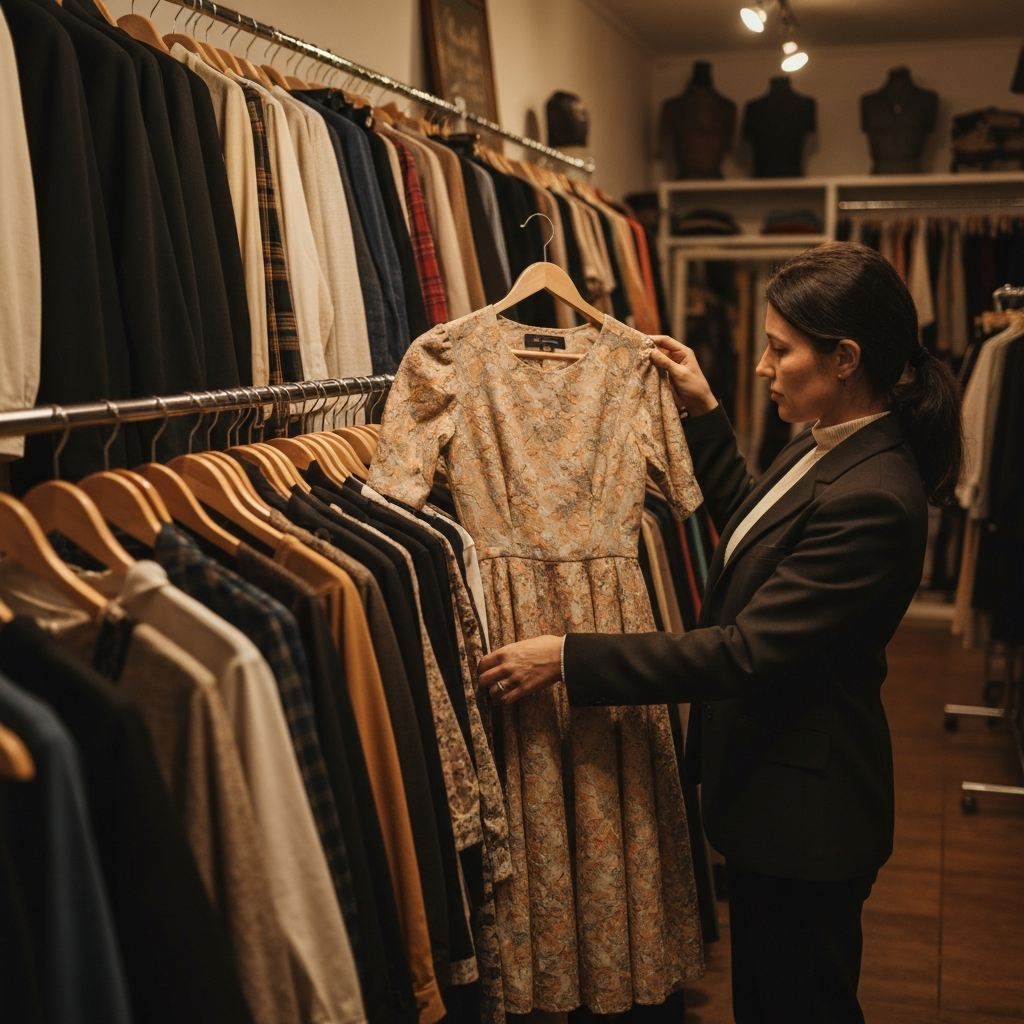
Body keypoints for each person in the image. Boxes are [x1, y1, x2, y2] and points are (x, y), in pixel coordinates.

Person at [477, 242, 963, 1024]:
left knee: (800, 1005)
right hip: (777, 792)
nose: (765, 367)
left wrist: (566, 656)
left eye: (780, 349)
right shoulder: (828, 442)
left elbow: (743, 651)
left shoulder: (875, 495)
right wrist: (703, 411)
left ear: (845, 358)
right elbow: (752, 529)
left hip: (810, 817)